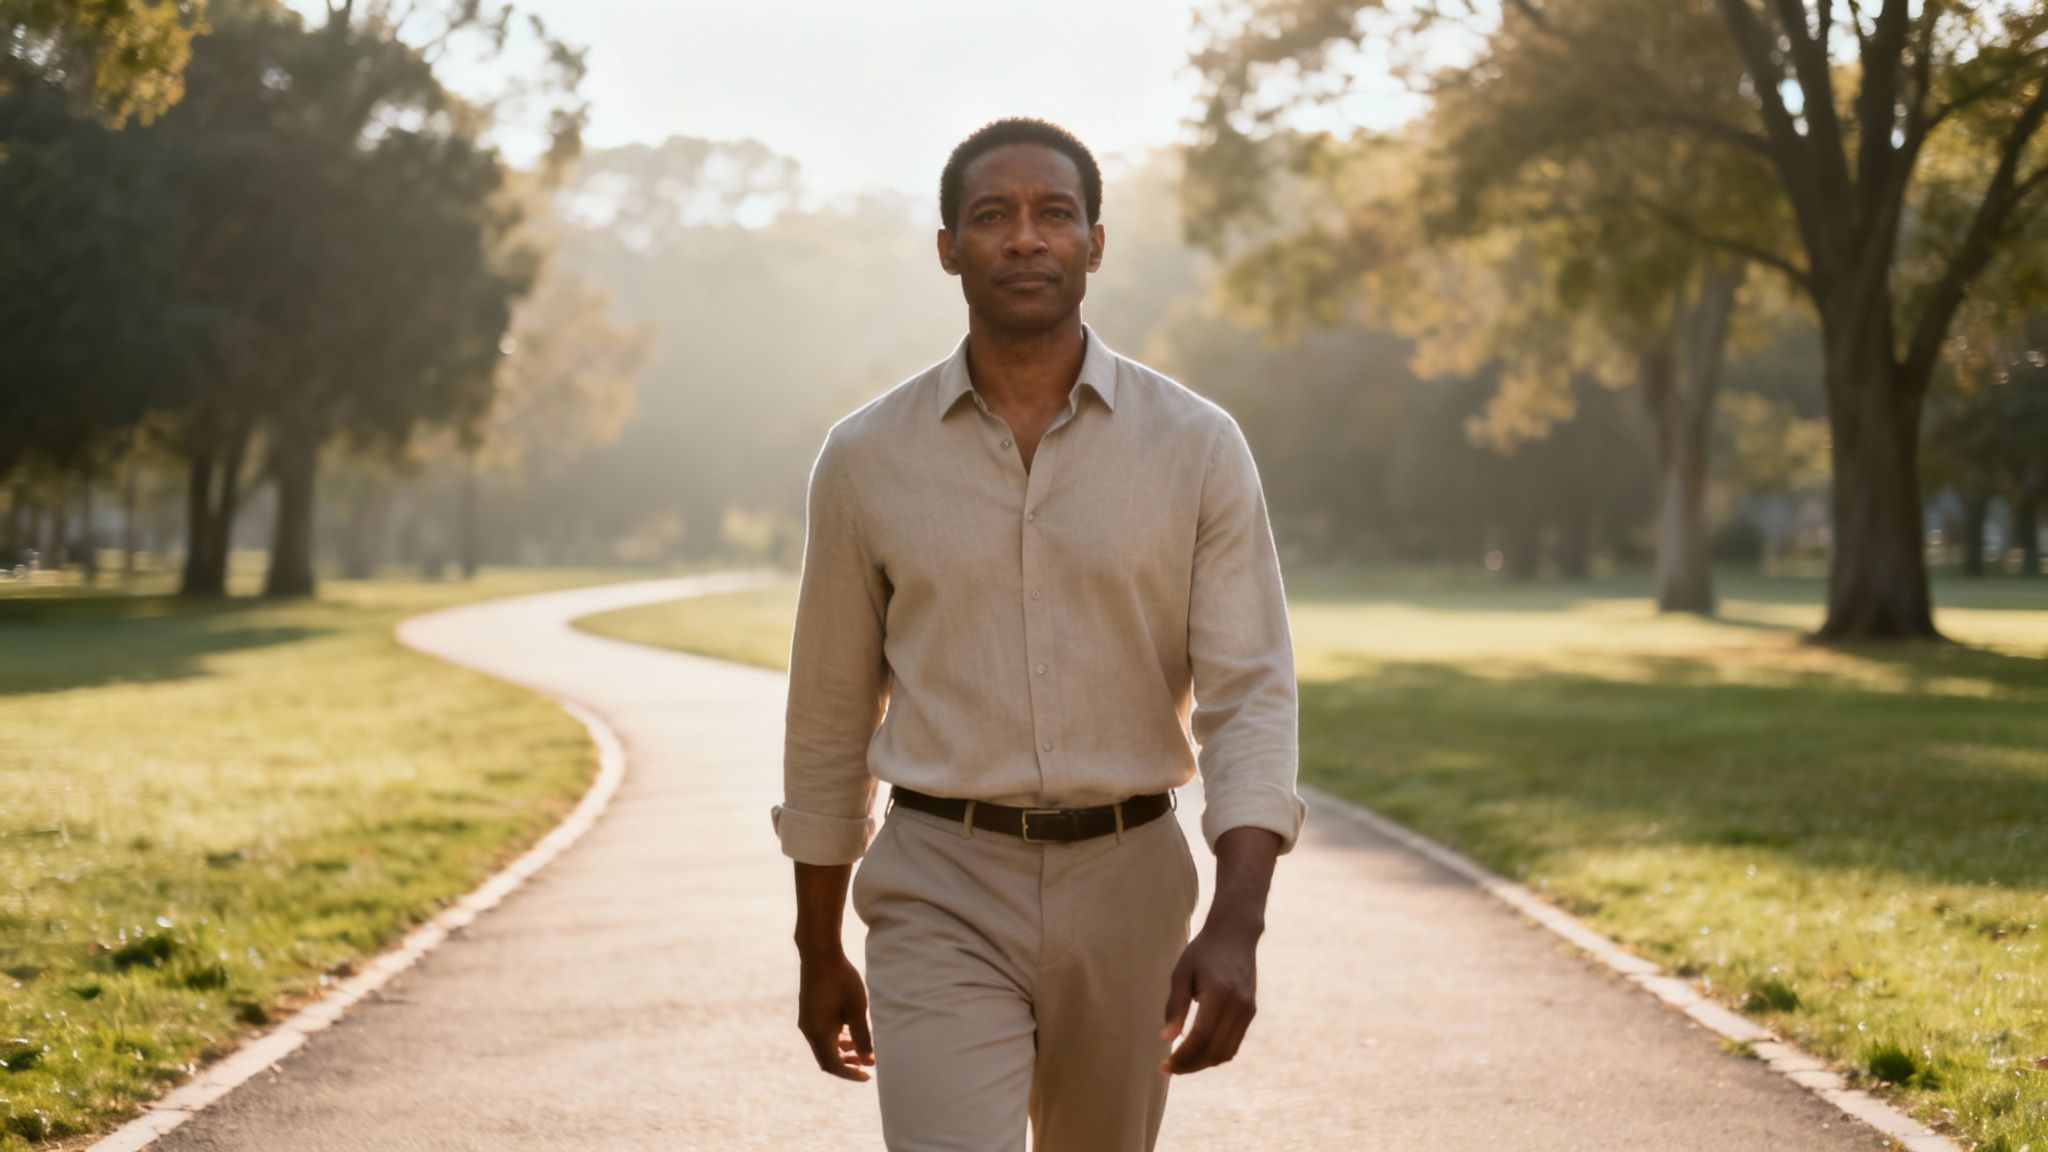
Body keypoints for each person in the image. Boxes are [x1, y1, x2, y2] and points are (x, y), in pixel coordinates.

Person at [772, 116, 1307, 1152]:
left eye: (1053, 214)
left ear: (1094, 243)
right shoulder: (864, 457)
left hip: (1130, 885)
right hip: (938, 881)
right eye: (992, 216)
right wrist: (814, 941)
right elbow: (830, 713)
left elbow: (1250, 692)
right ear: (946, 248)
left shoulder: (1196, 446)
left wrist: (1237, 922)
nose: (1025, 238)